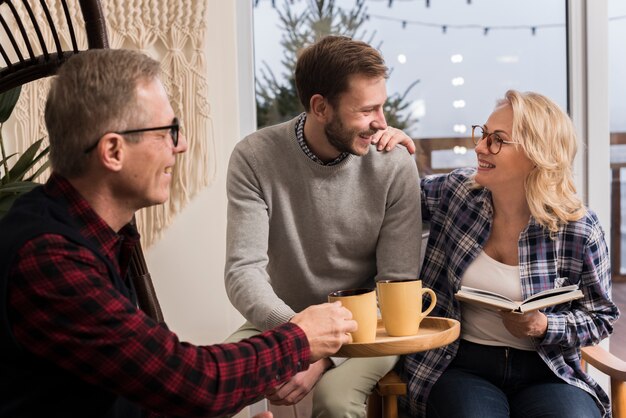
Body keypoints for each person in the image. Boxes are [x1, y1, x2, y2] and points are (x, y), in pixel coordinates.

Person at [0, 48, 359, 418]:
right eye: (168, 131)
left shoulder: (90, 237)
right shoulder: (49, 259)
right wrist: (300, 339)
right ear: (113, 151)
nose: (182, 145)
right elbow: (193, 382)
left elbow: (132, 386)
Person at [223, 35, 422, 417]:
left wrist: (320, 357)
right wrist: (300, 338)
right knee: (214, 391)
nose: (381, 122)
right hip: (286, 318)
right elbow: (242, 272)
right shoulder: (254, 157)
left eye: (382, 106)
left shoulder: (393, 163)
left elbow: (396, 282)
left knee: (334, 402)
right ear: (320, 107)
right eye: (367, 110)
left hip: (372, 327)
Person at [397, 90, 620, 418]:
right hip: (461, 365)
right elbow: (392, 197)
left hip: (548, 370)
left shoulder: (579, 228)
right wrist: (391, 151)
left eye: (497, 140)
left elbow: (602, 317)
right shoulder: (456, 193)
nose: (480, 147)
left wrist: (545, 325)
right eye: (483, 134)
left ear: (537, 155)